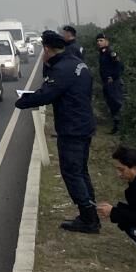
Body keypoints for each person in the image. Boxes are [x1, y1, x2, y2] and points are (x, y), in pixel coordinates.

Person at [16, 30, 99, 232]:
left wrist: (22, 101)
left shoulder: (62, 69)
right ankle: (91, 213)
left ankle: (88, 219)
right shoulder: (77, 63)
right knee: (81, 171)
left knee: (71, 172)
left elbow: (47, 94)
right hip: (84, 124)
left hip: (72, 128)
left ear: (46, 49)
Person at [96, 33, 126, 135]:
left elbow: (120, 66)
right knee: (112, 105)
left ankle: (122, 128)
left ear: (107, 41)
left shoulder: (111, 53)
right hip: (107, 83)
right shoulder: (102, 53)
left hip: (114, 83)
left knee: (118, 104)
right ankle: (116, 127)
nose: (99, 43)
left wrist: (113, 77)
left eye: (101, 40)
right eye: (98, 41)